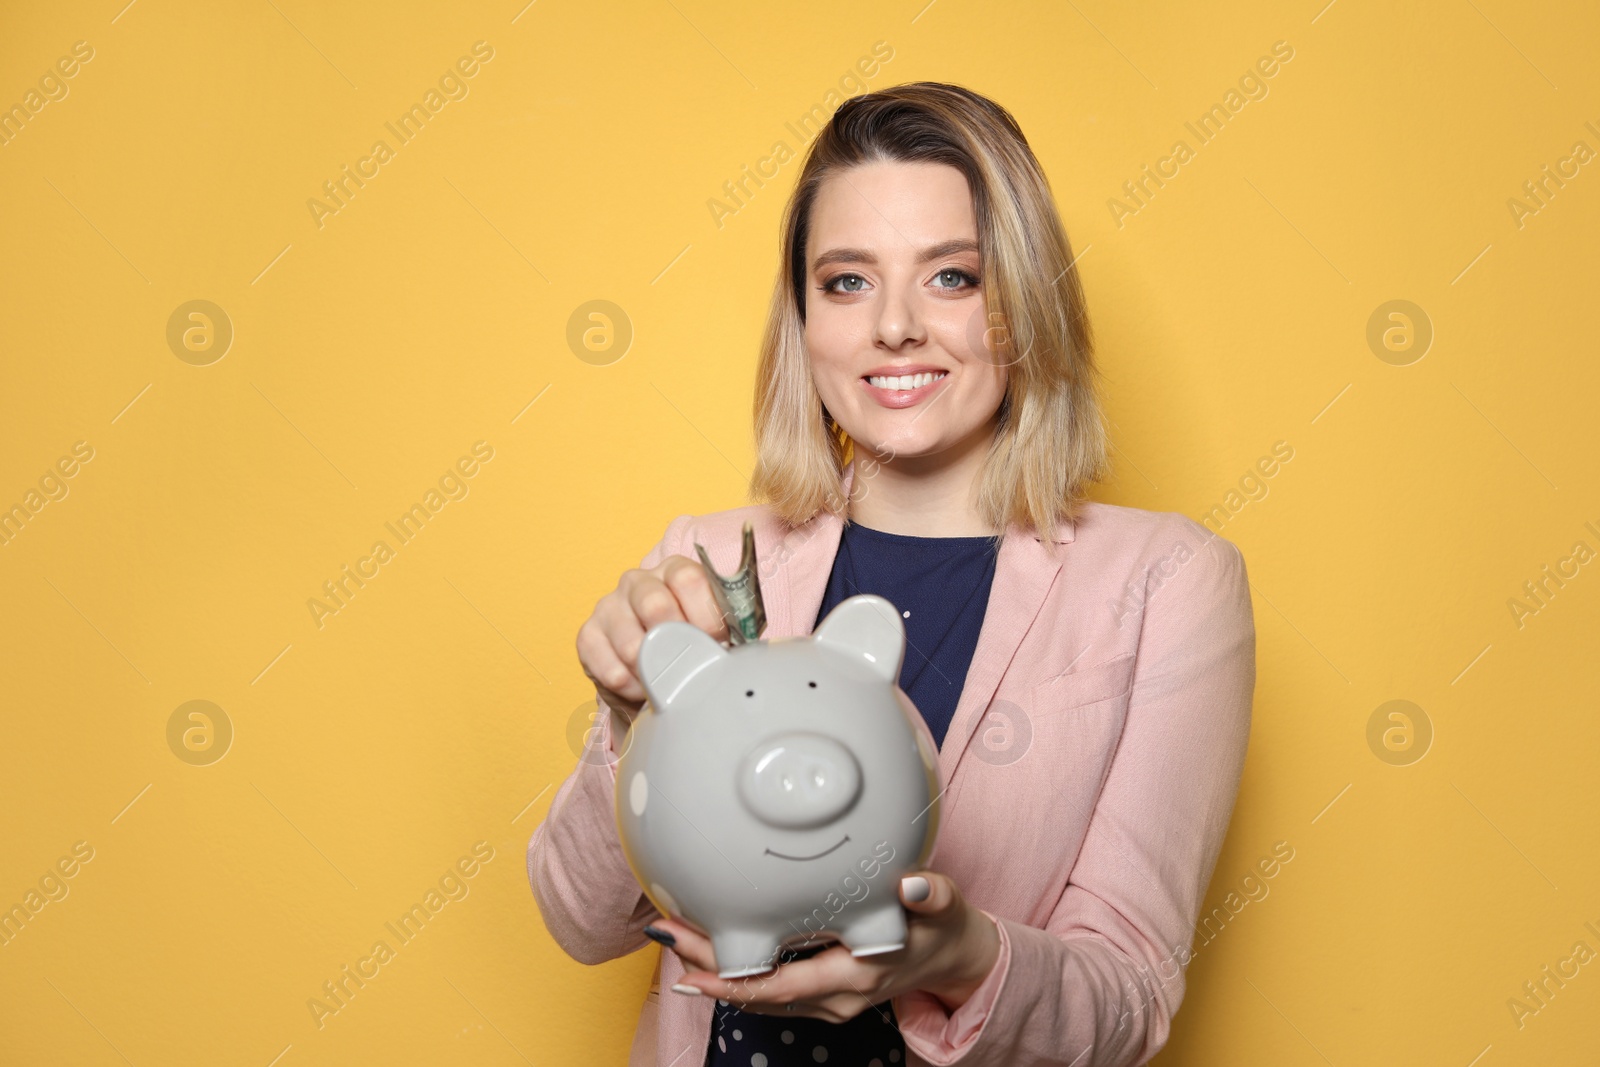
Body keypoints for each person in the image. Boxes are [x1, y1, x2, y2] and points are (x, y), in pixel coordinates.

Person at [528, 81, 1256, 1067]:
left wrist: (959, 956)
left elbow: (1125, 1000)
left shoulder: (1168, 583)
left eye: (951, 277)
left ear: (1022, 301)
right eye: (847, 281)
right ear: (803, 317)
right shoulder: (703, 560)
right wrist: (630, 724)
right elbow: (583, 924)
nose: (895, 326)